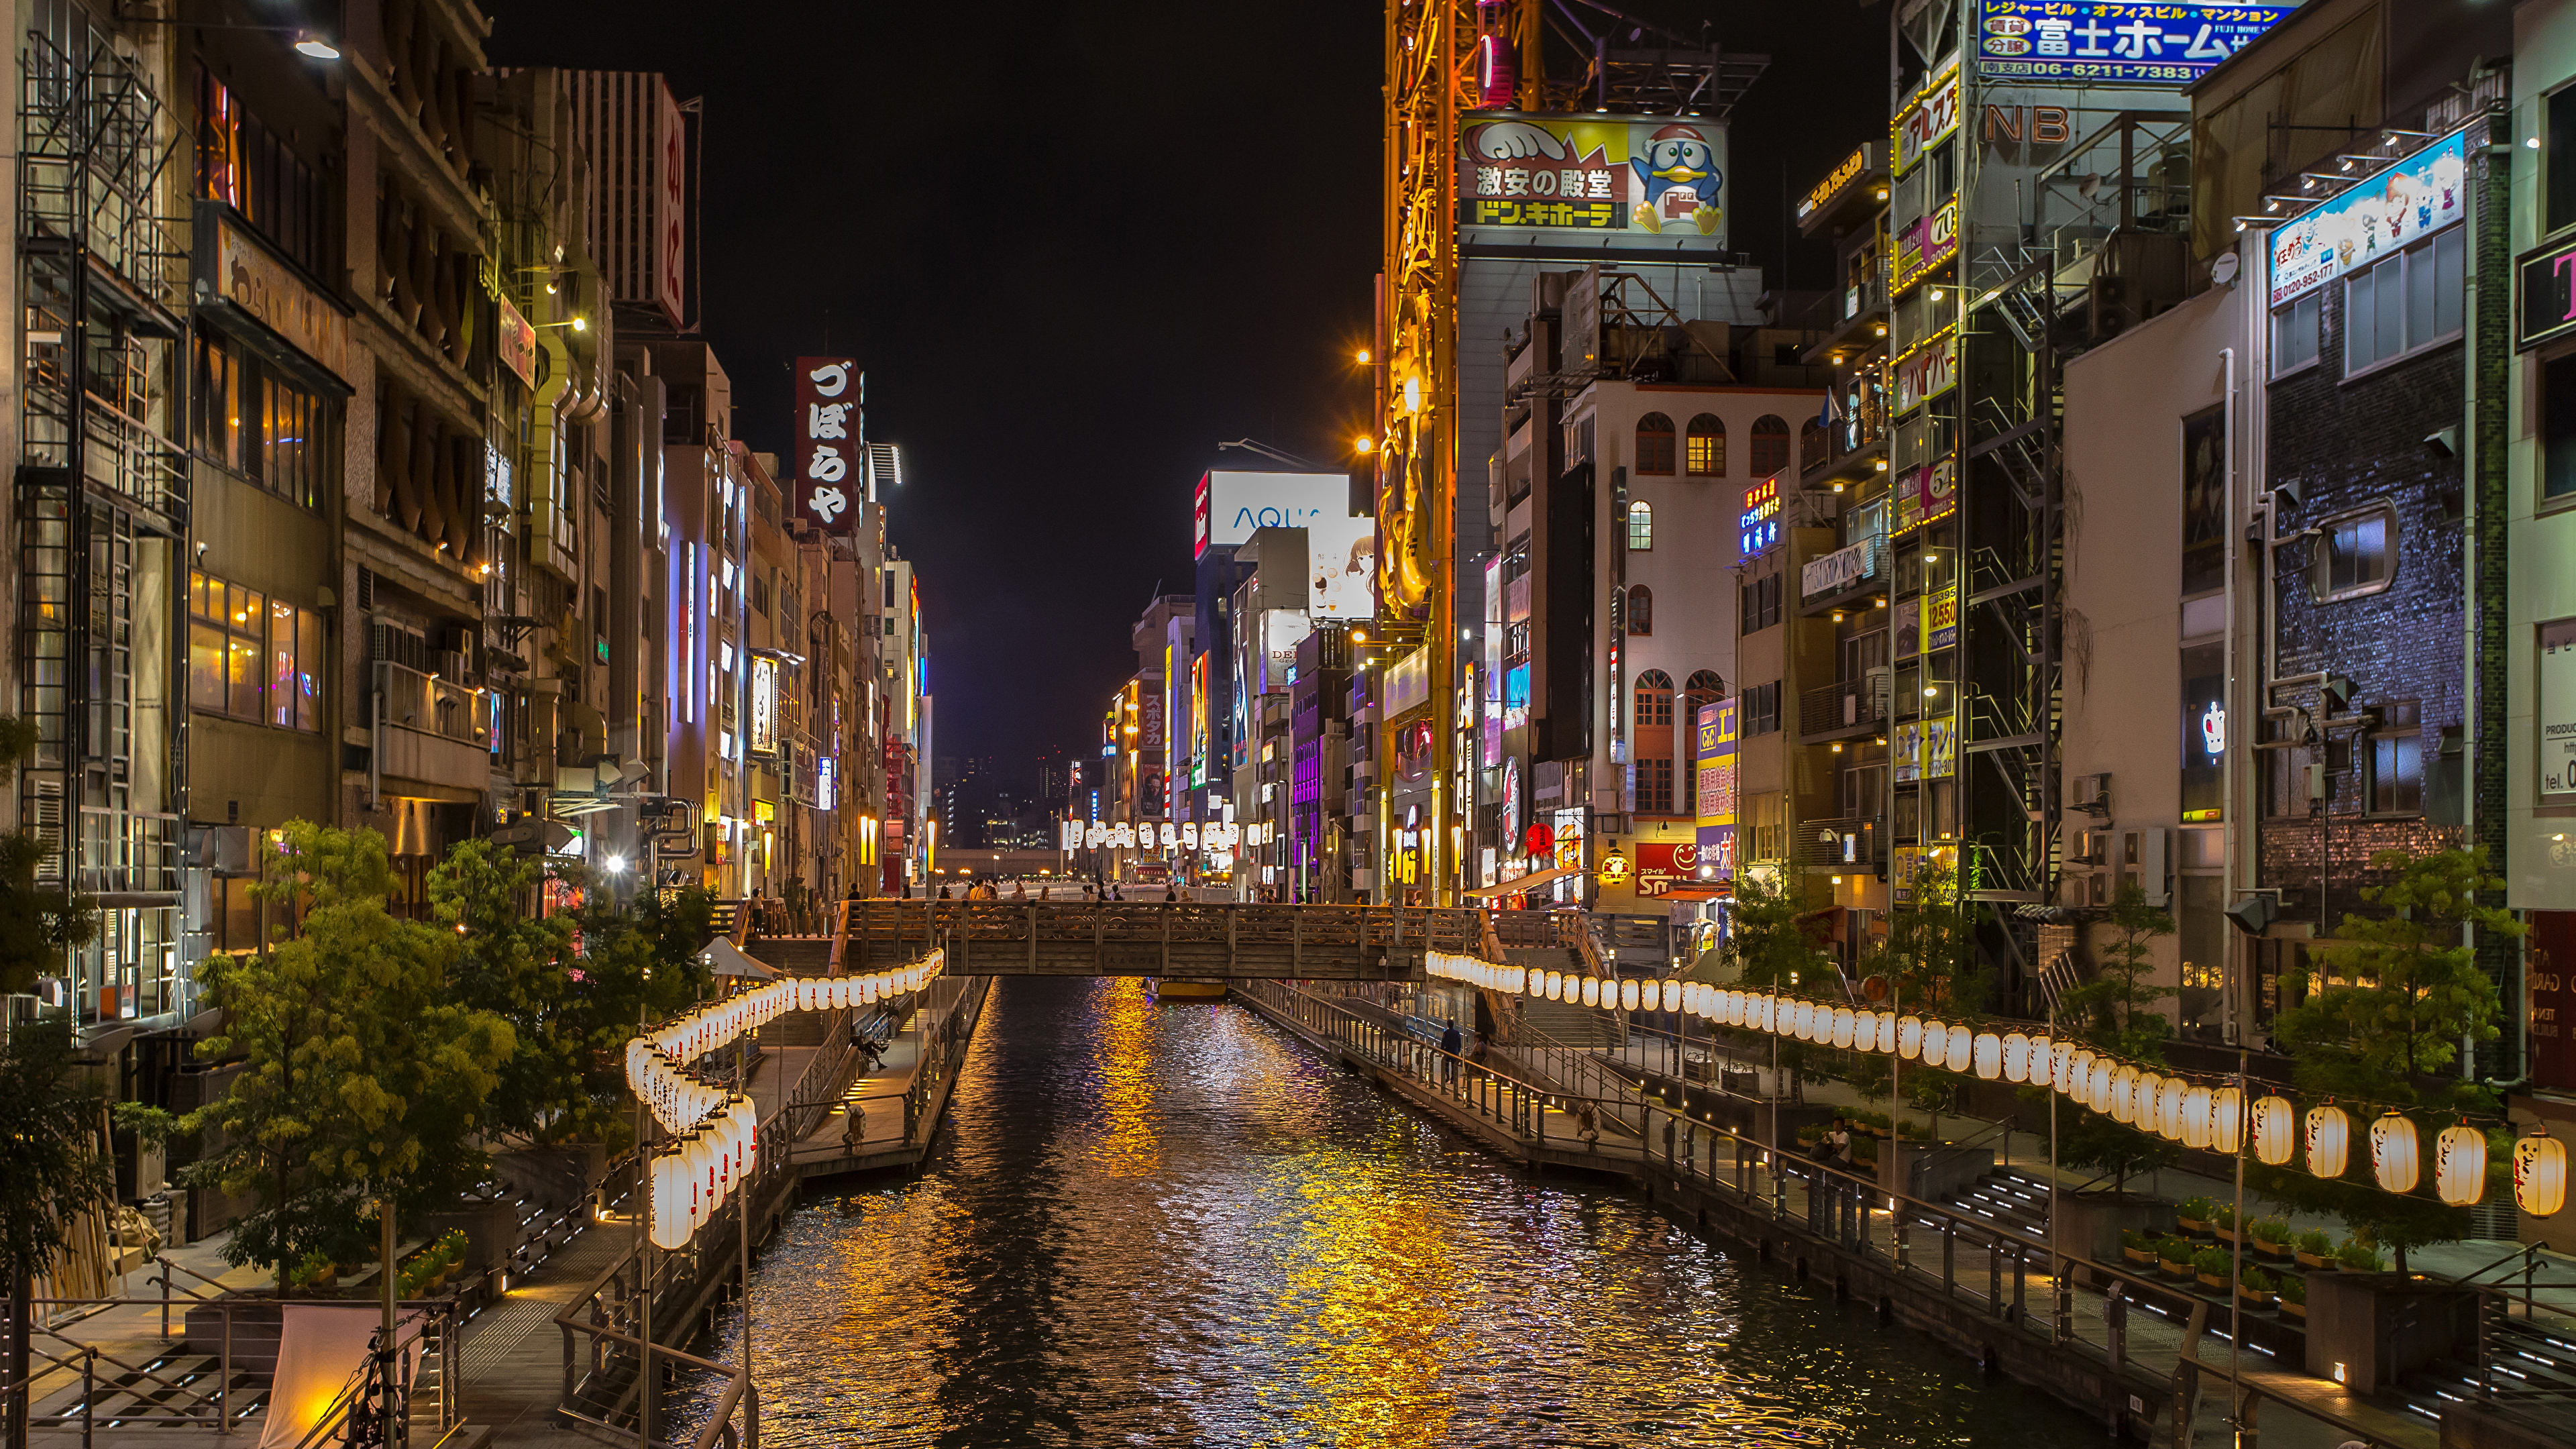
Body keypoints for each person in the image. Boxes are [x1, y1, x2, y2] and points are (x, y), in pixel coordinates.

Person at [1440, 1018, 1463, 1085]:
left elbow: (1443, 1042)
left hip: (1447, 1051)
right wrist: (1458, 1050)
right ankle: (1453, 1079)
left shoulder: (1446, 1033)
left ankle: (1447, 1077)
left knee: (1446, 1064)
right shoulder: (1457, 1033)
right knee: (1454, 1065)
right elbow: (1459, 1042)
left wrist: (1441, 1051)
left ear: (1447, 1025)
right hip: (1455, 1051)